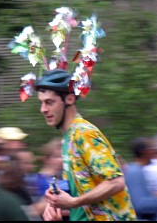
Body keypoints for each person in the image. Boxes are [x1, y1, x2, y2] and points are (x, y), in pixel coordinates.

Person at [33, 68, 135, 220]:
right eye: (41, 103)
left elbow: (116, 182)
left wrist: (73, 202)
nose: (43, 109)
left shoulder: (84, 133)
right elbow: (80, 189)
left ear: (70, 99)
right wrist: (55, 200)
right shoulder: (69, 138)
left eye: (49, 102)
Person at [123, 138, 157, 221]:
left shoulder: (139, 170)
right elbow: (139, 204)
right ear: (144, 151)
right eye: (151, 148)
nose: (154, 151)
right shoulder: (135, 172)